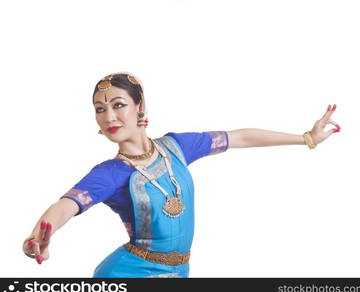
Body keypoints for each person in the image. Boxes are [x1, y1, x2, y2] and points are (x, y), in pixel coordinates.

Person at [22, 72, 341, 278]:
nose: (109, 116)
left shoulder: (177, 146)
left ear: (140, 106)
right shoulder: (112, 173)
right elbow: (66, 205)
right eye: (100, 109)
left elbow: (239, 137)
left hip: (180, 271)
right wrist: (39, 237)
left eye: (118, 105)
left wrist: (306, 138)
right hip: (128, 274)